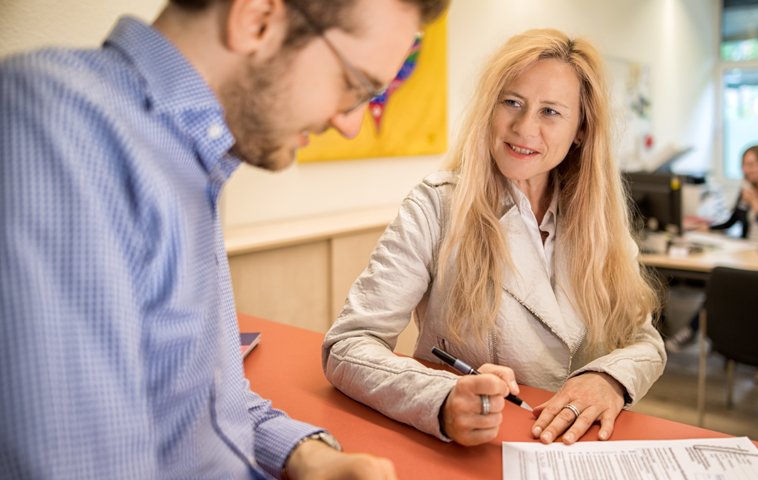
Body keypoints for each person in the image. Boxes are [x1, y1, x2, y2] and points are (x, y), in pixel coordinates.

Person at [0, 0, 448, 478]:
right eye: (354, 85)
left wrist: (307, 456)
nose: (350, 124)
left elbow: (199, 395)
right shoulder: (55, 130)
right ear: (256, 20)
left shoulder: (189, 155)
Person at [322, 29, 666, 448]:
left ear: (580, 129)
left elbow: (644, 341)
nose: (524, 127)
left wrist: (608, 379)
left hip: (582, 453)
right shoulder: (436, 206)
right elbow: (349, 344)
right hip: (476, 447)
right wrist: (442, 396)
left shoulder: (601, 224)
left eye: (551, 112)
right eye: (512, 102)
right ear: (490, 106)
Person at [666, 144, 758, 353]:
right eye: (744, 165)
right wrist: (708, 227)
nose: (746, 170)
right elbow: (732, 220)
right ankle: (696, 332)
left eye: (751, 164)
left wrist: (757, 206)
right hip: (747, 253)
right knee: (720, 282)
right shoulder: (747, 191)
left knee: (754, 292)